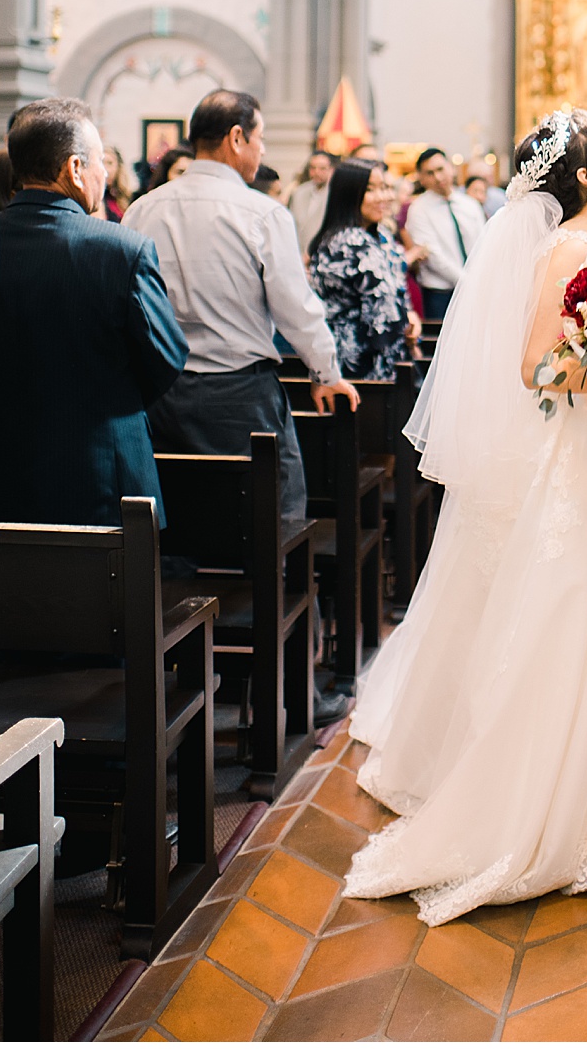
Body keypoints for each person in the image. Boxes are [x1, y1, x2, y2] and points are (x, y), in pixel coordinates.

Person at [344, 109, 587, 922]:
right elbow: (535, 366)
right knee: (579, 610)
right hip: (586, 463)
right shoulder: (565, 250)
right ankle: (557, 798)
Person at [127, 91, 359, 724]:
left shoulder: (143, 210)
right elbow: (295, 306)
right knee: (275, 534)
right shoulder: (261, 213)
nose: (261, 153)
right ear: (234, 138)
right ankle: (291, 699)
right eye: (258, 140)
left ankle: (196, 688)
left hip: (162, 399)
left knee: (183, 538)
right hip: (241, 397)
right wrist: (328, 373)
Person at [0, 99, 188, 527]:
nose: (105, 173)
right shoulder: (121, 248)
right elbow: (167, 357)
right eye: (99, 160)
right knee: (115, 592)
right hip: (102, 471)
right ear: (75, 169)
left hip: (3, 466)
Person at [310, 160, 417, 378]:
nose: (383, 197)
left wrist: (410, 320)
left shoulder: (381, 235)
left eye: (385, 187)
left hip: (387, 354)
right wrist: (405, 325)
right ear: (349, 195)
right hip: (358, 360)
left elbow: (397, 291)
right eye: (370, 189)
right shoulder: (349, 243)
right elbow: (382, 310)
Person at [403, 146, 485, 320]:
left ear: (451, 167)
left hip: (476, 287)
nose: (438, 177)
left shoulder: (470, 205)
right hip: (440, 293)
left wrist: (479, 279)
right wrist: (466, 281)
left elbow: (483, 244)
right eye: (429, 173)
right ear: (422, 179)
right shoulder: (418, 209)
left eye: (440, 169)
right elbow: (432, 255)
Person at [288, 150, 335, 258]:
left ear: (331, 170)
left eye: (322, 168)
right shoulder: (299, 192)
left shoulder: (335, 194)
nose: (317, 172)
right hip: (298, 252)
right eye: (313, 168)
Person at [102, 145, 133, 221]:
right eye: (101, 162)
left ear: (118, 166)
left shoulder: (128, 196)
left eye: (109, 163)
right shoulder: (96, 199)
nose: (106, 169)